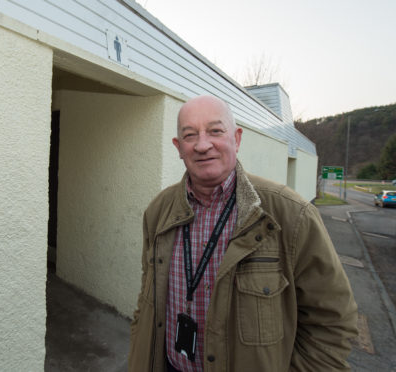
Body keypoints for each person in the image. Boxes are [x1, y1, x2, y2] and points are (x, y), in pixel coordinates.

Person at [128, 95, 358, 372]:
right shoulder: (158, 211)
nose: (203, 145)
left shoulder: (292, 215)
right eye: (190, 135)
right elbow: (147, 297)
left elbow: (331, 324)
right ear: (179, 147)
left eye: (215, 131)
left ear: (236, 139)